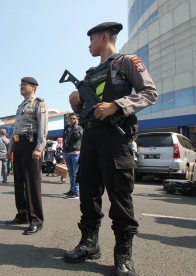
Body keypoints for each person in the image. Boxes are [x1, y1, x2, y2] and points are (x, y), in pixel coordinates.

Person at [63, 22, 157, 276]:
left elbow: (150, 92)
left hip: (117, 139)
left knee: (120, 197)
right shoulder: (90, 73)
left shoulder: (127, 62)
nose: (88, 45)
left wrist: (116, 105)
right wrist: (76, 102)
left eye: (91, 39)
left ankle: (123, 256)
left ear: (104, 37)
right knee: (88, 193)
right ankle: (89, 244)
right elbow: (84, 111)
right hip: (91, 139)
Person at [6, 76, 48, 235]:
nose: (21, 87)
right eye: (21, 84)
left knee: (32, 184)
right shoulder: (20, 106)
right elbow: (16, 128)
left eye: (25, 85)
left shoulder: (39, 103)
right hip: (18, 145)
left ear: (34, 87)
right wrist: (11, 146)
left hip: (31, 146)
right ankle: (22, 214)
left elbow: (43, 127)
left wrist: (39, 147)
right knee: (19, 182)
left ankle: (36, 219)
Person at [62, 113, 83, 199]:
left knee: (75, 173)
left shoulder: (79, 128)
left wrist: (75, 127)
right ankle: (72, 190)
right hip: (67, 152)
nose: (72, 120)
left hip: (75, 153)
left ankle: (76, 192)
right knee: (70, 173)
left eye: (74, 118)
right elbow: (64, 139)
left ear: (77, 120)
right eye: (70, 118)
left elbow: (77, 137)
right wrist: (63, 152)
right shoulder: (66, 128)